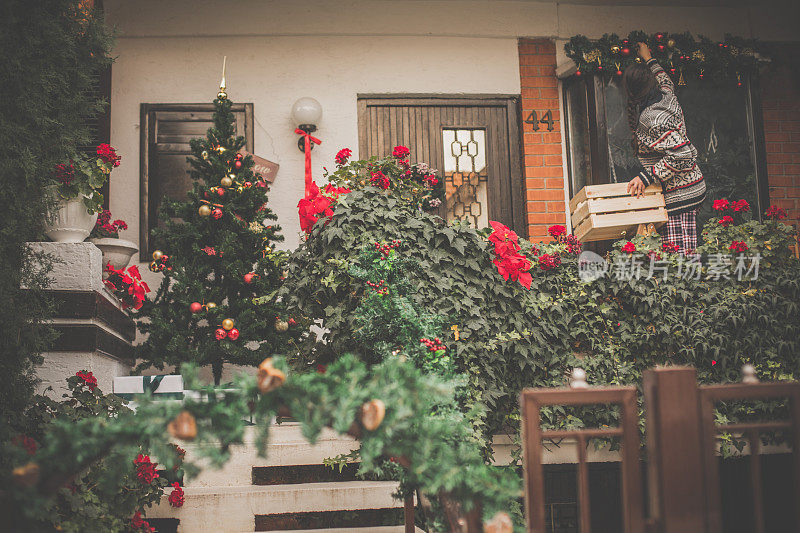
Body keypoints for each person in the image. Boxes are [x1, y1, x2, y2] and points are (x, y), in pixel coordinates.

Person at [624, 42, 706, 253]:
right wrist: (649, 58)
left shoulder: (652, 119)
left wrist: (646, 177)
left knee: (680, 261)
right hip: (689, 187)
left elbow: (682, 153)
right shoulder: (667, 96)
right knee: (676, 258)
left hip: (681, 195)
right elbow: (665, 79)